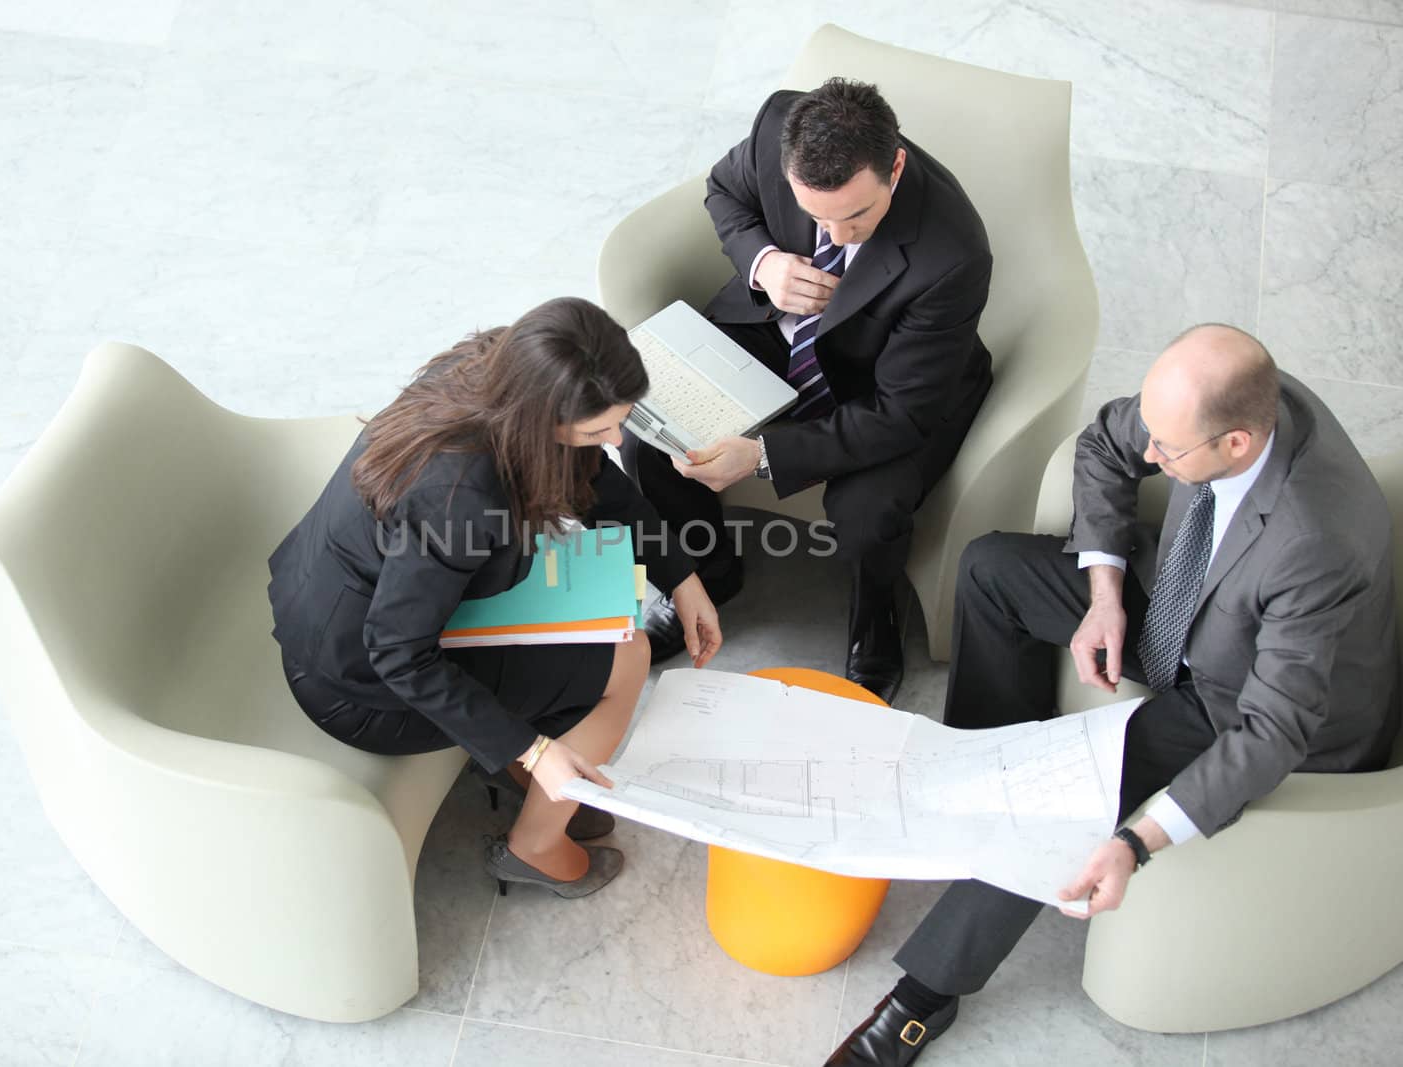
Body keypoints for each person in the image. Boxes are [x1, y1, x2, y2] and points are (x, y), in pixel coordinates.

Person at [827, 324, 1401, 1066]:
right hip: (1185, 607)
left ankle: (921, 999)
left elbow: (1273, 729)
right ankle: (982, 781)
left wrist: (1136, 841)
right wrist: (1104, 595)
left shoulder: (1315, 543)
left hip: (1245, 704)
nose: (1152, 457)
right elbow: (1105, 440)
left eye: (1168, 451)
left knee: (1064, 792)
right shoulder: (1224, 398)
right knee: (991, 569)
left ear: (1236, 444)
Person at [266, 297, 723, 898]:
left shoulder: (503, 369)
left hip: (367, 598)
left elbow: (596, 482)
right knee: (629, 651)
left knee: (596, 630)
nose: (615, 441)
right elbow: (397, 653)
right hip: (358, 685)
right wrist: (532, 750)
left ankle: (529, 767)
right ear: (542, 419)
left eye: (621, 421)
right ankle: (534, 847)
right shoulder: (457, 495)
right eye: (597, 431)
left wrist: (681, 576)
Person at [623, 77, 993, 701]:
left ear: (895, 166)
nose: (837, 236)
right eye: (817, 216)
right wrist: (764, 260)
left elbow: (899, 415)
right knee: (648, 434)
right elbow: (725, 192)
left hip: (890, 383)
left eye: (856, 216)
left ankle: (875, 624)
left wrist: (766, 455)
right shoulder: (776, 124)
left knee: (868, 512)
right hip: (778, 330)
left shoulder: (954, 254)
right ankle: (707, 570)